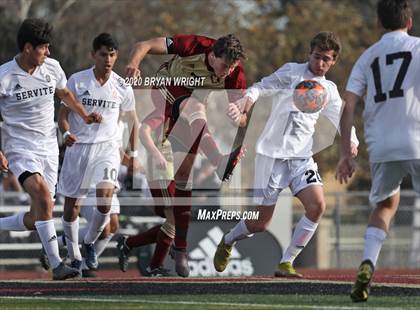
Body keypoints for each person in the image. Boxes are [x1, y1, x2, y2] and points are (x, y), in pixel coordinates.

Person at [213, 31, 359, 278]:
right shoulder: (292, 72)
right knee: (260, 224)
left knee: (318, 206)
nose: (320, 63)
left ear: (334, 61)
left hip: (301, 159)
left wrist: (352, 140)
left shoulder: (330, 90)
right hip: (271, 157)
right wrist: (245, 101)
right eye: (316, 57)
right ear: (309, 54)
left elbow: (341, 119)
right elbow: (261, 87)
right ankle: (228, 239)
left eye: (326, 59)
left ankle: (286, 262)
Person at [117, 34, 247, 277]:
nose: (227, 72)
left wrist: (237, 115)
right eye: (223, 66)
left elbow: (243, 117)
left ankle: (159, 254)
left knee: (178, 205)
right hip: (165, 95)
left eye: (232, 67)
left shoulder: (235, 73)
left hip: (188, 121)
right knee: (195, 105)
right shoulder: (194, 45)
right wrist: (133, 64)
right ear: (212, 54)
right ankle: (218, 160)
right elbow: (143, 43)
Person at [0, 18, 101, 280]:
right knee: (44, 198)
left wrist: (85, 114)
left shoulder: (52, 68)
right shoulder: (5, 76)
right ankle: (57, 265)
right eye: (43, 47)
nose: (48, 52)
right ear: (27, 48)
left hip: (48, 148)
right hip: (20, 148)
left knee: (38, 215)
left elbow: (64, 94)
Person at [336, 0, 420, 303]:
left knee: (385, 205)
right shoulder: (418, 47)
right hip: (417, 140)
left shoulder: (368, 56)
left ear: (378, 25)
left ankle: (368, 263)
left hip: (381, 145)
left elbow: (348, 105)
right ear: (409, 22)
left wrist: (347, 153)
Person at [56, 33, 139, 275]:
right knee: (72, 207)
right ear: (93, 55)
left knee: (105, 198)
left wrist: (132, 153)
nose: (108, 59)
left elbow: (134, 122)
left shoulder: (122, 86)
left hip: (108, 149)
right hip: (78, 149)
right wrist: (66, 134)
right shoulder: (77, 80)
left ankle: (90, 242)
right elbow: (62, 116)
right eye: (103, 54)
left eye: (112, 54)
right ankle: (74, 256)